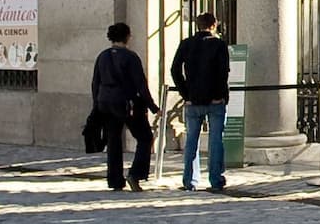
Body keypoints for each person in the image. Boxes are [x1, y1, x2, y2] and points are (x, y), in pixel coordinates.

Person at [91, 22, 155, 192]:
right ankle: (136, 174)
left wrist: (96, 104)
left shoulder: (102, 56)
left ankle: (114, 179)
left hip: (105, 102)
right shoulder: (130, 57)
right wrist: (153, 106)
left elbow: (95, 83)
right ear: (127, 36)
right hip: (126, 102)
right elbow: (140, 84)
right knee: (145, 137)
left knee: (113, 141)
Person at [170, 12, 231, 192]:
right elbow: (222, 72)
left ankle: (190, 180)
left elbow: (175, 70)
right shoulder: (219, 44)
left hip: (193, 99)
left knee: (191, 141)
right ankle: (215, 179)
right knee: (216, 140)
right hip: (214, 99)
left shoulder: (187, 43)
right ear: (214, 25)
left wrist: (185, 93)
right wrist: (220, 94)